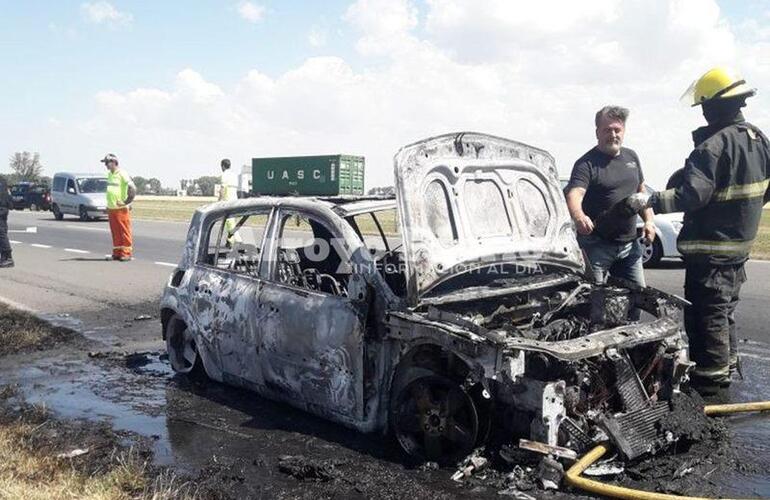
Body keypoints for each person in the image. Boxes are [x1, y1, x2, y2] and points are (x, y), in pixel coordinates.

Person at [624, 68, 770, 397]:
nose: (702, 112)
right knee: (724, 312)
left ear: (715, 106)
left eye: (704, 106)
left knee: (707, 318)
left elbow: (691, 195)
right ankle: (726, 368)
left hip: (711, 250)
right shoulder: (757, 139)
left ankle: (710, 386)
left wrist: (649, 200)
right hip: (737, 249)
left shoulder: (713, 147)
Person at [565, 105, 656, 289]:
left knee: (637, 297)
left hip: (630, 247)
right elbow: (575, 194)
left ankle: (631, 320)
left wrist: (649, 221)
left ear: (624, 131)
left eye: (617, 130)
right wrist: (579, 216)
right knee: (592, 300)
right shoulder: (586, 164)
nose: (613, 134)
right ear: (597, 132)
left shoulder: (632, 157)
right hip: (596, 245)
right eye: (607, 130)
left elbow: (641, 192)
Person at [102, 154, 136, 261]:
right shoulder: (110, 175)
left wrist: (126, 202)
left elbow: (132, 188)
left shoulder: (122, 174)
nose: (106, 165)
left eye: (107, 163)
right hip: (112, 208)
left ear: (113, 162)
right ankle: (117, 252)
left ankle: (126, 253)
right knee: (115, 231)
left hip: (121, 208)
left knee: (124, 230)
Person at [219, 158, 241, 247]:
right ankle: (229, 240)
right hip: (234, 197)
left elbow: (223, 188)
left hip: (227, 198)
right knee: (231, 220)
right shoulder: (234, 175)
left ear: (223, 166)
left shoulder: (224, 175)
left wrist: (220, 200)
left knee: (229, 221)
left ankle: (238, 239)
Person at [0, 177, 13, 268]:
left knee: (1, 234)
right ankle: (4, 257)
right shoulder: (3, 181)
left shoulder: (2, 182)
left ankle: (8, 258)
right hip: (3, 210)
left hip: (1, 211)